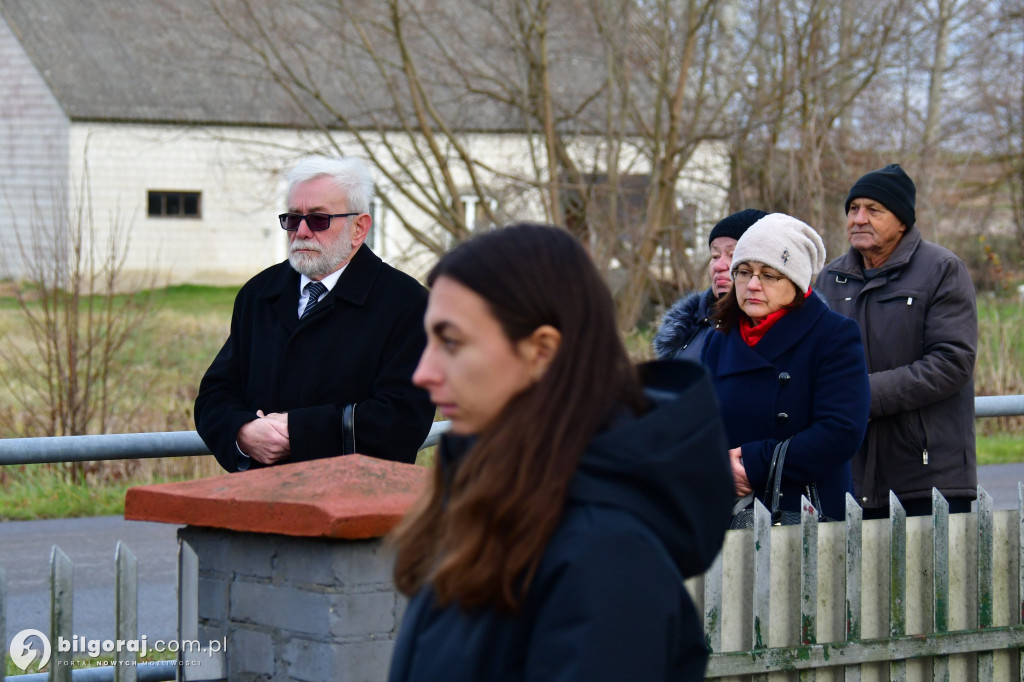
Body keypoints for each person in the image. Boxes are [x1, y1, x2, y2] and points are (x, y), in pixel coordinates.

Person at [388, 224, 734, 682]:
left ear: (542, 351)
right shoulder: (489, 497)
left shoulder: (608, 556)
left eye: (451, 342)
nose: (423, 372)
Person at [194, 156, 436, 472]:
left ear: (359, 228)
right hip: (259, 503)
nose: (302, 231)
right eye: (293, 219)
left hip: (356, 505)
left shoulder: (407, 304)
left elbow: (401, 419)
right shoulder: (260, 294)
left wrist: (298, 431)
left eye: (319, 219)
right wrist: (243, 432)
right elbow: (216, 394)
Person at [816, 164, 978, 518]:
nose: (859, 219)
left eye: (873, 210)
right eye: (853, 209)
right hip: (848, 475)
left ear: (902, 220)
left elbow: (952, 361)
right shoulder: (829, 279)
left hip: (927, 475)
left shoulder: (942, 269)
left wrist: (863, 394)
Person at [702, 213, 870, 522]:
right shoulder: (719, 340)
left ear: (795, 282)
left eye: (769, 275)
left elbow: (841, 431)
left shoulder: (832, 335)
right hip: (729, 513)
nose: (752, 285)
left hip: (806, 515)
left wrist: (755, 465)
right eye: (744, 271)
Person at [654, 208, 768, 361]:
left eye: (733, 255)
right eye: (715, 255)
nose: (718, 265)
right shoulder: (688, 329)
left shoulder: (785, 333)